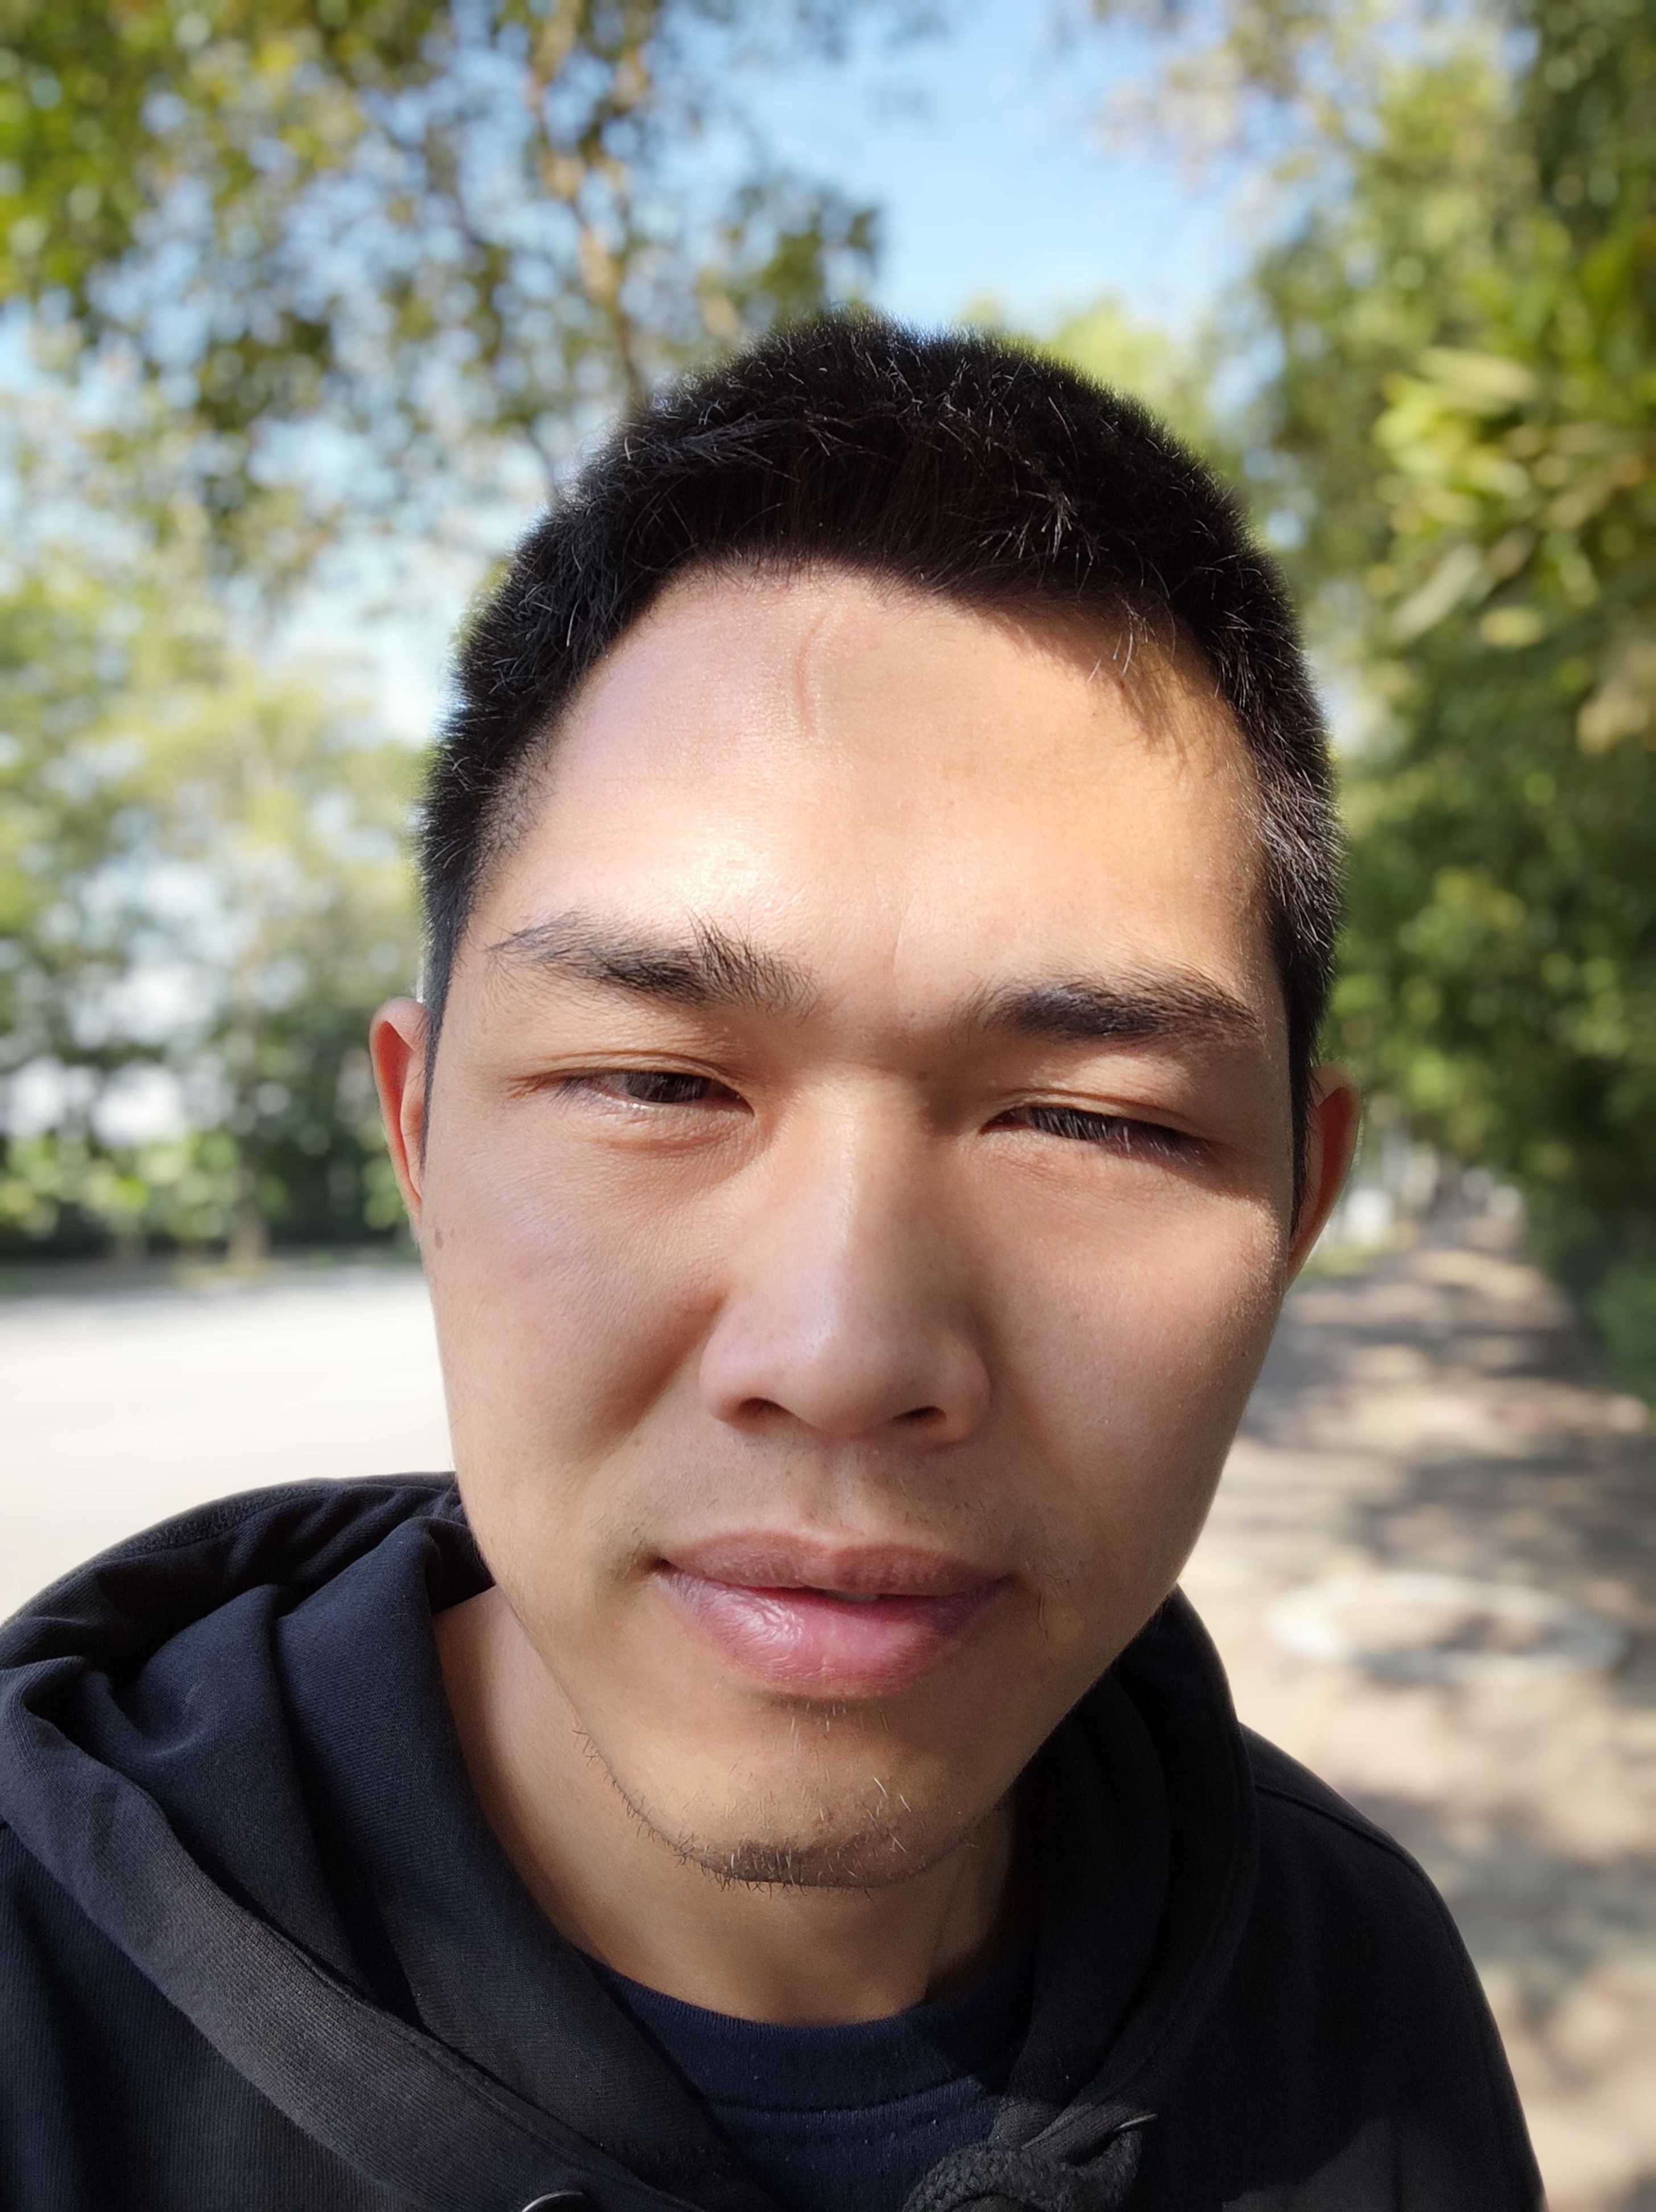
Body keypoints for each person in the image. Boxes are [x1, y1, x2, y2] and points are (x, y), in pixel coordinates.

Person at [0, 313, 1541, 2212]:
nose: (841, 1352)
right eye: (656, 1082)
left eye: (1092, 1121)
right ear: (418, 1134)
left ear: (1300, 1208)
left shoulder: (1360, 2002)